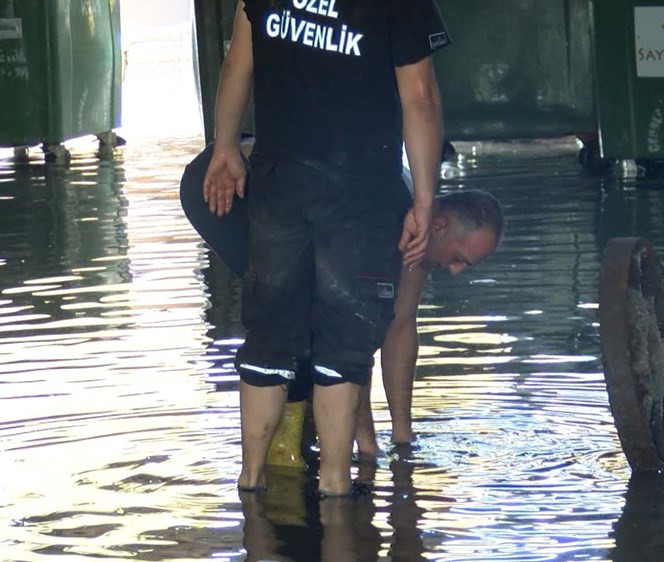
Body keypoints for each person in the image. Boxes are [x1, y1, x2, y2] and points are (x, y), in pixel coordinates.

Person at [203, 0, 452, 498]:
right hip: (358, 193)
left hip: (279, 184)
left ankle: (250, 481)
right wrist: (424, 197)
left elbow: (238, 61)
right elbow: (419, 96)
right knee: (343, 345)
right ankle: (338, 489)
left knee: (269, 339)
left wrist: (225, 147)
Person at [181, 141, 504, 462]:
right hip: (224, 183)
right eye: (459, 258)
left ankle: (316, 432)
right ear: (440, 225)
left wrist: (402, 436)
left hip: (305, 189)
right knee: (294, 319)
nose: (456, 271)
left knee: (318, 323)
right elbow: (349, 334)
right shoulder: (382, 221)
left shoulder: (418, 235)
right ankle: (282, 455)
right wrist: (367, 444)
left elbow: (400, 327)